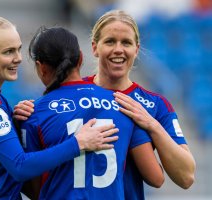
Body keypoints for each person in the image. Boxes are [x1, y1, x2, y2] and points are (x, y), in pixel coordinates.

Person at [13, 10, 196, 200]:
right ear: (94, 48)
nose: (118, 49)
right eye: (110, 41)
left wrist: (152, 125)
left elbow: (186, 178)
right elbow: (156, 178)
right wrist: (26, 109)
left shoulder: (155, 104)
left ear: (137, 48)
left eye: (126, 42)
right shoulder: (68, 95)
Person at [0, 16, 119, 200]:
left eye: (19, 49)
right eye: (8, 52)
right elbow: (20, 166)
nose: (18, 58)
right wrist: (78, 143)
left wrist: (14, 123)